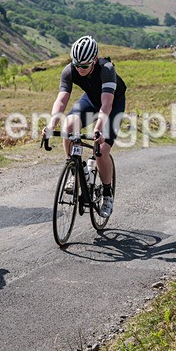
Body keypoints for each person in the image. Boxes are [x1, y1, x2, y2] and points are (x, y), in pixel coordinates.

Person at [44, 35, 126, 219]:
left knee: (102, 151)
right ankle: (74, 169)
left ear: (94, 60)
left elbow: (106, 105)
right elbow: (62, 99)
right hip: (91, 99)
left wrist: (98, 129)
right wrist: (51, 124)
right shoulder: (70, 70)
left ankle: (106, 194)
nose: (79, 69)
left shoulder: (107, 69)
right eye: (76, 65)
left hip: (112, 104)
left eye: (84, 66)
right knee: (69, 125)